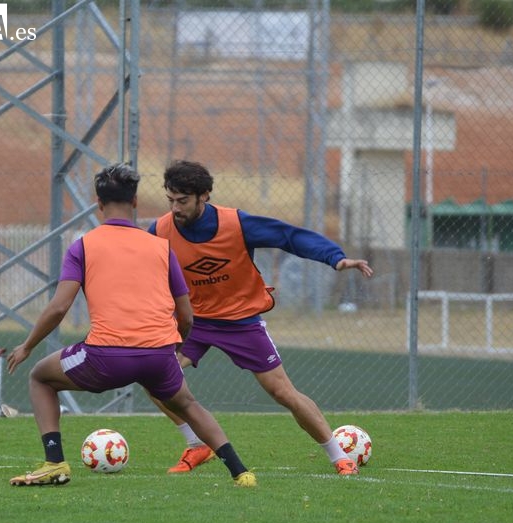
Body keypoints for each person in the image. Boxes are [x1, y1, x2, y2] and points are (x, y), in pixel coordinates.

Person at [7, 163, 256, 488]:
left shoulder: (83, 246)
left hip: (106, 357)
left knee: (40, 377)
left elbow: (59, 307)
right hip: (158, 355)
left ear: (98, 204)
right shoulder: (161, 247)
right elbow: (187, 316)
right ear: (135, 201)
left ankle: (54, 462)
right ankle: (241, 472)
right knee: (188, 404)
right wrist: (174, 349)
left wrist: (27, 346)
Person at [147, 160, 374, 476]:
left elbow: (288, 236)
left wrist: (335, 258)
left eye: (182, 201)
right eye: (170, 200)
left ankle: (340, 458)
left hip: (241, 322)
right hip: (194, 323)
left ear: (204, 196)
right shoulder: (160, 230)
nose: (175, 208)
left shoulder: (237, 224)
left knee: (283, 392)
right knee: (152, 375)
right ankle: (197, 444)